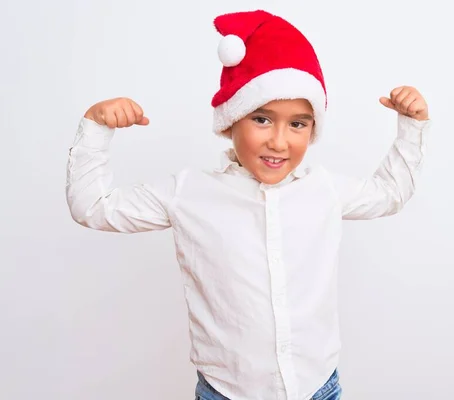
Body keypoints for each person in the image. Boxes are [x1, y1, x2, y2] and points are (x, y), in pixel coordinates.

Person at [65, 9, 431, 400]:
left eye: (298, 124)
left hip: (317, 387)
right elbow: (94, 207)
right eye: (261, 119)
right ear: (231, 120)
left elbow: (390, 193)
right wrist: (97, 128)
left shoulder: (323, 189)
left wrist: (412, 126)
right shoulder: (189, 192)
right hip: (226, 392)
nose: (279, 141)